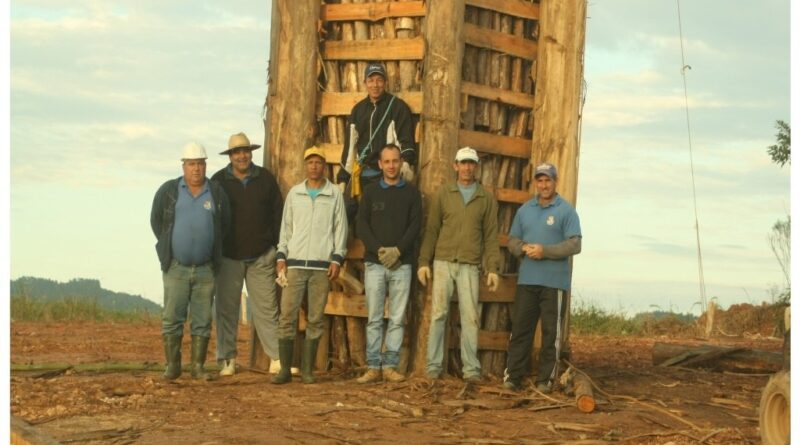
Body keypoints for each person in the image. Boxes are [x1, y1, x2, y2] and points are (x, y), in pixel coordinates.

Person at [417, 147, 501, 382]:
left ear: (476, 167)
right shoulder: (445, 194)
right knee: (438, 315)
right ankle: (433, 367)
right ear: (455, 166)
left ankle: (471, 370)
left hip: (469, 265)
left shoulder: (485, 199)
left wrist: (493, 268)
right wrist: (424, 262)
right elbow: (432, 230)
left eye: (471, 164)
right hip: (443, 262)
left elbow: (491, 237)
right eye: (463, 163)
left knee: (470, 317)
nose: (467, 168)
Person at [150, 142, 230, 380]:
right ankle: (173, 367)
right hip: (176, 268)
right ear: (183, 166)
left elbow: (224, 225)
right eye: (192, 164)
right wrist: (171, 246)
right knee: (172, 318)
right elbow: (156, 222)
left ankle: (197, 367)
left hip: (206, 269)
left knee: (203, 319)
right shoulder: (169, 191)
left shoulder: (215, 192)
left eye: (200, 163)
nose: (196, 169)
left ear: (206, 165)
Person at [502, 163, 582, 393]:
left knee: (551, 334)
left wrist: (544, 251)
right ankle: (513, 377)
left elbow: (575, 244)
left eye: (548, 180)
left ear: (555, 182)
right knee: (520, 330)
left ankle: (545, 380)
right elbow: (512, 240)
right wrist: (524, 247)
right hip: (527, 281)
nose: (544, 185)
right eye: (540, 180)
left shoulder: (566, 211)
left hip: (554, 283)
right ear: (535, 183)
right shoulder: (525, 210)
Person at [272, 146, 348, 384]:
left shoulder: (333, 193)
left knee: (315, 318)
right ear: (305, 166)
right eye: (310, 162)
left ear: (324, 166)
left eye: (318, 162)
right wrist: (282, 255)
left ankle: (307, 371)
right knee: (287, 315)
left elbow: (340, 228)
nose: (314, 166)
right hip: (294, 264)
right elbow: (286, 227)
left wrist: (337, 258)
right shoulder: (295, 194)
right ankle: (285, 369)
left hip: (321, 266)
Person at [211, 132, 285, 377]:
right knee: (226, 310)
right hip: (229, 257)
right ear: (230, 156)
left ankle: (276, 358)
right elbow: (211, 219)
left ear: (250, 152)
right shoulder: (218, 181)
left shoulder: (265, 179)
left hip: (261, 256)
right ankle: (227, 360)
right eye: (236, 152)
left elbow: (278, 215)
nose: (242, 156)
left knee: (266, 310)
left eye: (245, 151)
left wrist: (275, 248)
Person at [354, 144, 422, 384]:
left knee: (396, 317)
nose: (392, 165)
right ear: (380, 164)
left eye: (396, 161)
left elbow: (415, 225)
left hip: (402, 265)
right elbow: (362, 225)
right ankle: (373, 366)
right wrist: (379, 249)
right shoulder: (371, 192)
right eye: (387, 161)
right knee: (374, 316)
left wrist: (399, 250)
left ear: (401, 163)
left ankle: (390, 366)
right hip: (375, 263)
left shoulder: (411, 193)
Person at [336, 61, 417, 221]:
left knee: (382, 216)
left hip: (386, 173)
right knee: (344, 211)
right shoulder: (358, 110)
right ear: (365, 83)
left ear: (385, 82)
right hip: (362, 175)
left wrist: (406, 162)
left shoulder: (397, 107)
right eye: (371, 80)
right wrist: (343, 178)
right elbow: (350, 146)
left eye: (379, 80)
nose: (375, 85)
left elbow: (406, 140)